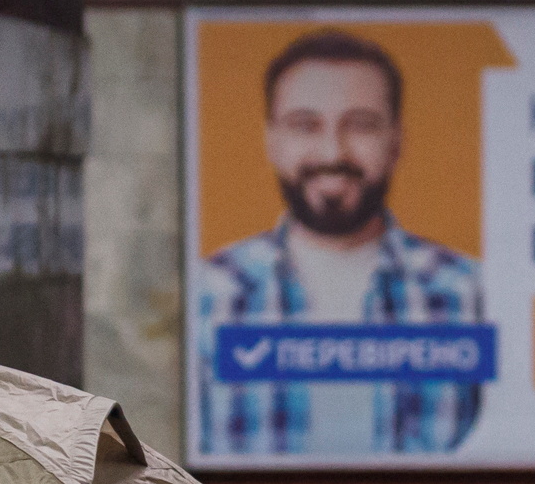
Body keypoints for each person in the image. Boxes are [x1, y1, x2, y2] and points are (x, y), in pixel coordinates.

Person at [195, 25, 487, 457]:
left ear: (397, 140)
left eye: (362, 125)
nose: (333, 152)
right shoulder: (207, 292)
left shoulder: (468, 292)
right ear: (271, 140)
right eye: (305, 125)